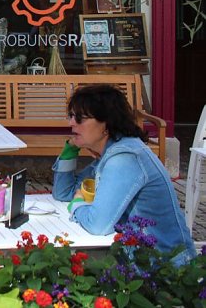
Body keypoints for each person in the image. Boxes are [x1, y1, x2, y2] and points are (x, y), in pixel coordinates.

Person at [52, 84, 195, 264]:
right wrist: (70, 150)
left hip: (166, 268)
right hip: (144, 260)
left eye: (79, 118)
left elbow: (98, 224)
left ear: (106, 123)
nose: (71, 123)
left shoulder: (124, 158)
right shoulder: (113, 151)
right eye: (71, 116)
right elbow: (63, 192)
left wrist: (77, 205)